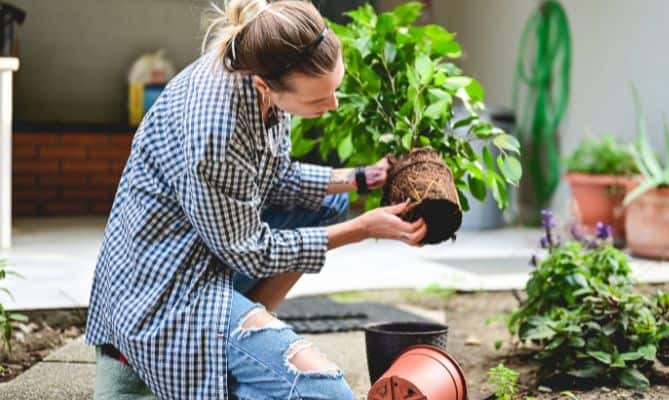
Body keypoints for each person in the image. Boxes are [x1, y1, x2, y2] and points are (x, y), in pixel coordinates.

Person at [85, 1, 427, 398]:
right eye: (318, 101)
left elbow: (277, 177)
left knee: (325, 206)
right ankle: (218, 353)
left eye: (334, 89)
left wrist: (361, 179)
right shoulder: (216, 132)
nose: (331, 105)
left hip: (209, 253)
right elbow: (251, 252)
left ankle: (248, 332)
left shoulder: (261, 77)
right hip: (168, 286)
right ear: (267, 85)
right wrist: (363, 229)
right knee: (326, 392)